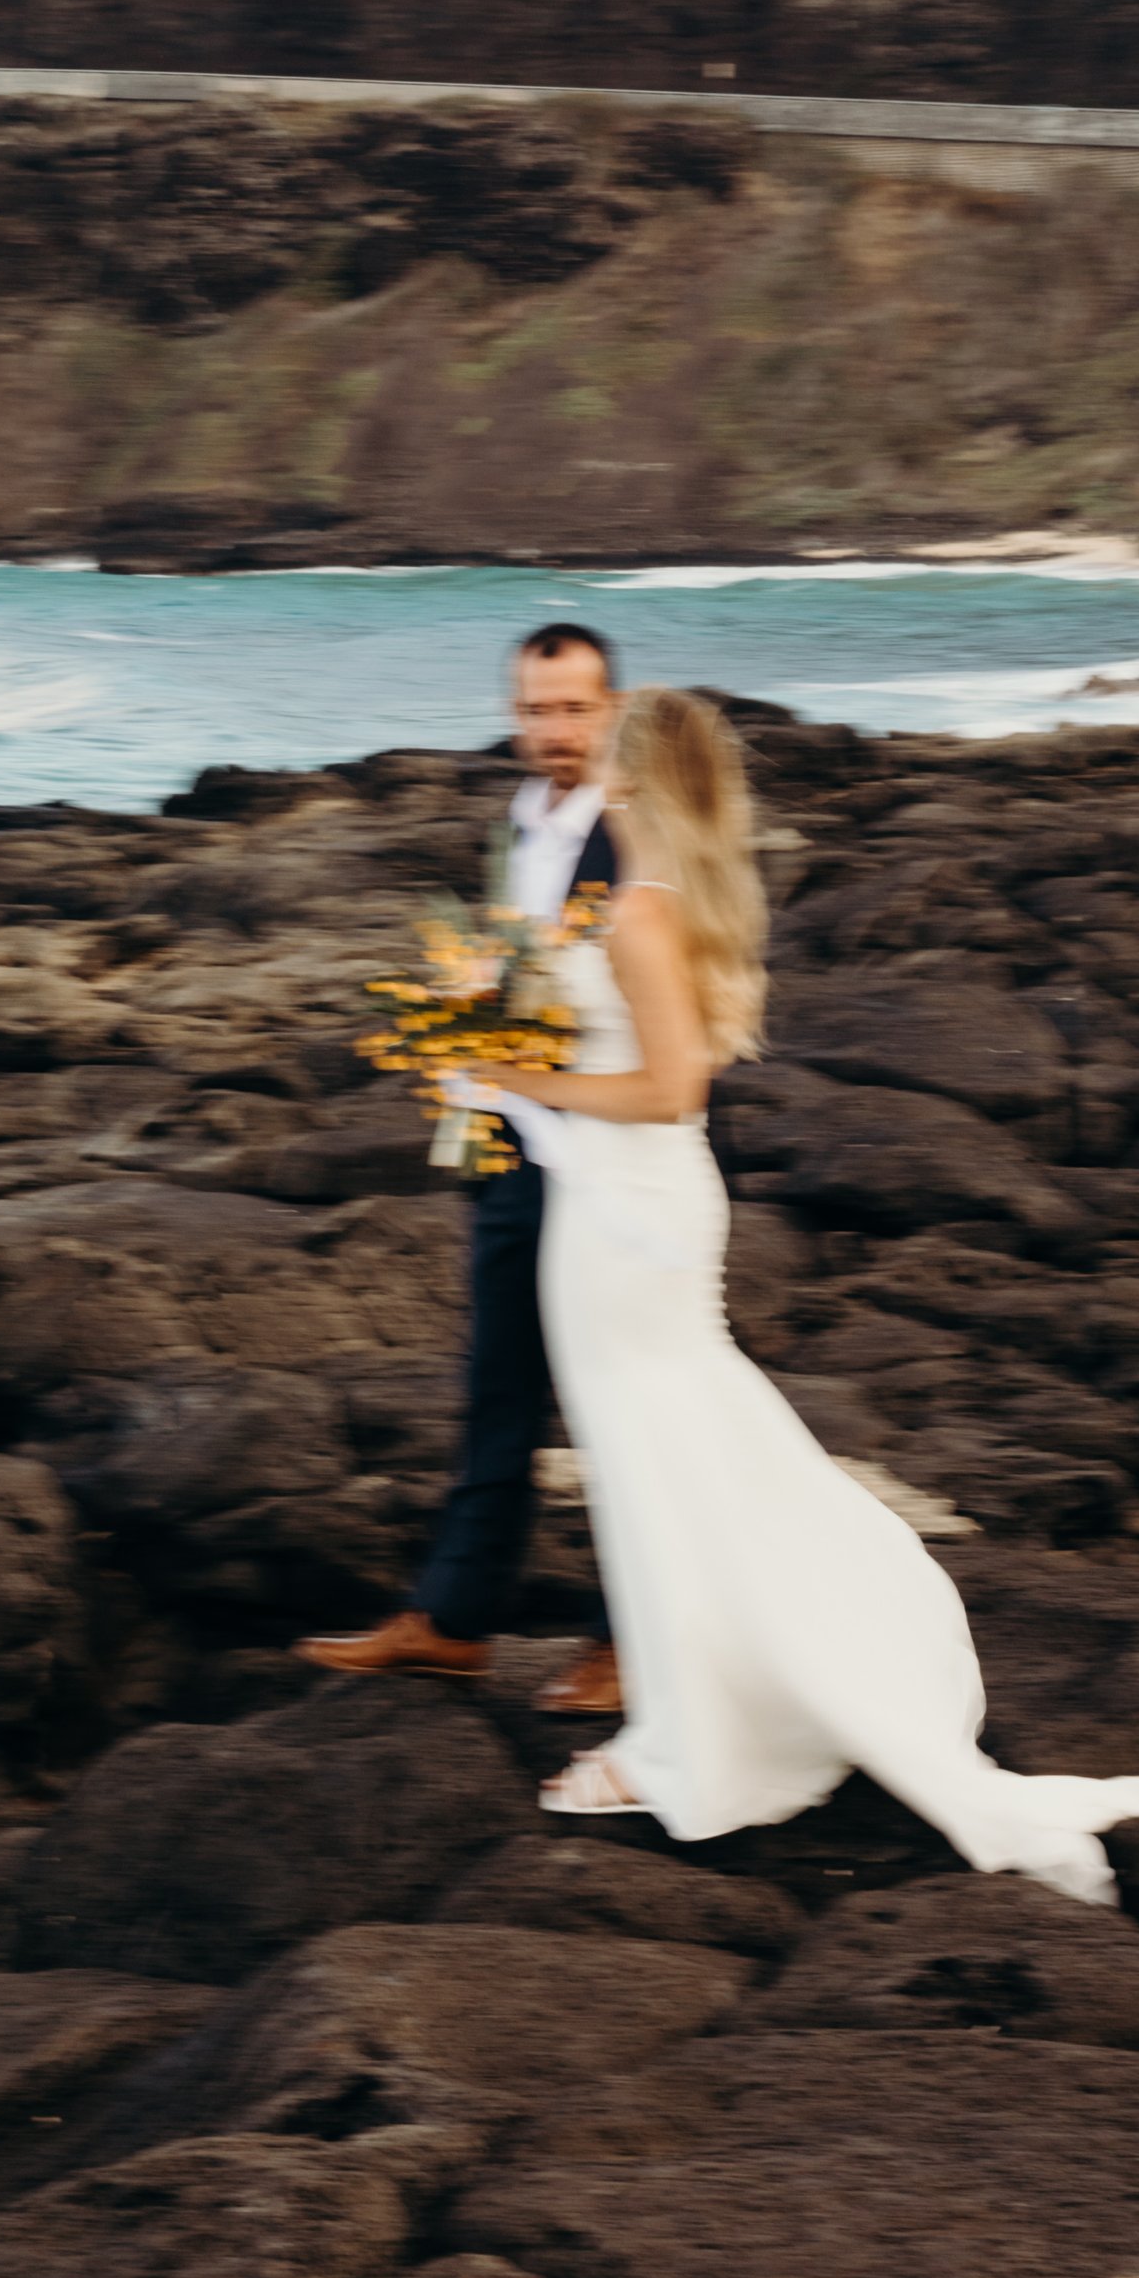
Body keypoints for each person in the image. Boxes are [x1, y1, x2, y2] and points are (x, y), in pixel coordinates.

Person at [452, 685, 1139, 1900]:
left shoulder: (638, 912)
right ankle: (727, 1692)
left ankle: (702, 1736)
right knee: (678, 1450)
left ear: (630, 780)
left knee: (656, 1459)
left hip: (625, 1218)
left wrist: (511, 1072)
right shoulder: (662, 897)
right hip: (633, 1207)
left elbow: (669, 1089)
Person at [297, 620, 624, 1716]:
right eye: (534, 709)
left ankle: (627, 1638)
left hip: (610, 1159)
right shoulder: (521, 823)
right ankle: (451, 1621)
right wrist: (459, 1053)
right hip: (510, 1145)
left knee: (616, 1404)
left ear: (613, 710)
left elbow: (664, 1011)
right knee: (496, 1392)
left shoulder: (638, 837)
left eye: (573, 708)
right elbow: (508, 970)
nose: (552, 730)